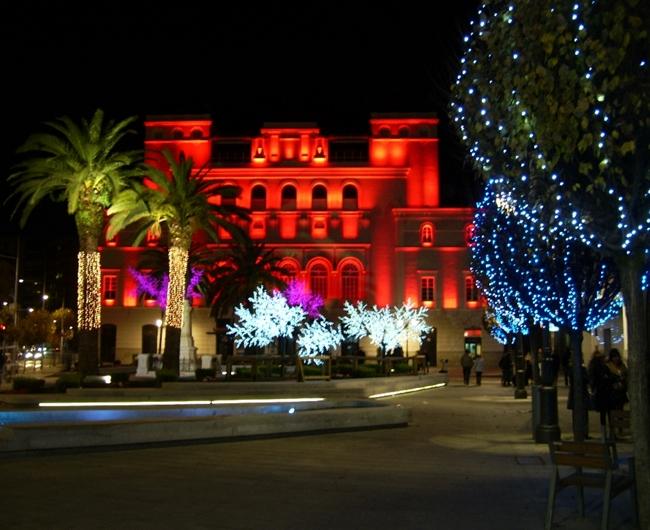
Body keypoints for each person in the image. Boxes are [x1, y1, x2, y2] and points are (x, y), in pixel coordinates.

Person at [588, 347, 615, 429]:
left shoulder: (593, 367)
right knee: (609, 413)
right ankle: (611, 432)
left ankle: (604, 432)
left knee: (603, 414)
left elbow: (592, 381)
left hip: (600, 393)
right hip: (606, 392)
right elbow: (610, 378)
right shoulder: (603, 368)